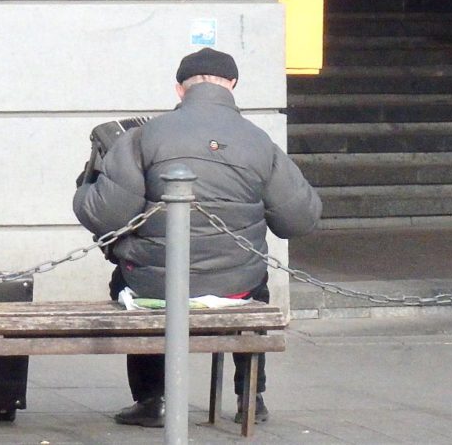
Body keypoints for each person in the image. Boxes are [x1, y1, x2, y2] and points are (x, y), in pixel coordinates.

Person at [73, 47, 322, 426]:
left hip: (155, 289)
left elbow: (104, 216)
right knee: (258, 285)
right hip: (237, 288)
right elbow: (299, 219)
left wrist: (86, 183)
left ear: (179, 89)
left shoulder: (145, 137)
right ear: (233, 85)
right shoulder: (259, 143)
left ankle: (153, 399)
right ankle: (250, 396)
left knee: (129, 278)